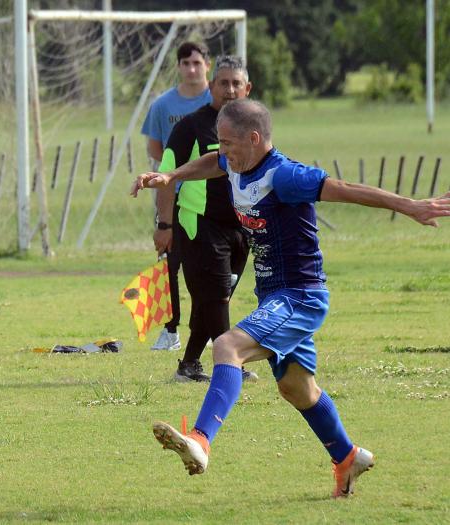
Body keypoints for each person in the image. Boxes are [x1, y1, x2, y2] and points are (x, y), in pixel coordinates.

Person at [131, 99, 450, 497]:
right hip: (274, 297)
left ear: (254, 138)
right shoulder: (236, 160)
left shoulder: (285, 176)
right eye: (220, 142)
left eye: (228, 142)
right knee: (297, 387)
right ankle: (348, 458)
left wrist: (411, 206)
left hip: (300, 296)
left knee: (227, 345)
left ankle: (201, 440)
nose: (222, 149)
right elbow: (214, 162)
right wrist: (173, 176)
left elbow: (346, 189)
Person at [159, 56, 255, 383]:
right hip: (199, 224)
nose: (229, 90)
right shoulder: (190, 126)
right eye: (223, 83)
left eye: (236, 84)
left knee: (210, 300)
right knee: (217, 297)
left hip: (242, 227)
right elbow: (166, 176)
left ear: (247, 89)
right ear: (211, 85)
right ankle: (232, 366)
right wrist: (164, 225)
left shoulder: (255, 128)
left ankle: (188, 365)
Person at [141, 41, 213, 351]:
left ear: (207, 64)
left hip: (211, 196)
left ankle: (211, 324)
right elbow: (155, 148)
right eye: (186, 63)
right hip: (172, 194)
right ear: (179, 67)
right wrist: (174, 171)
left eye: (197, 62)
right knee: (168, 262)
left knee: (210, 265)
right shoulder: (163, 105)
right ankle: (170, 330)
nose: (192, 69)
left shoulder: (219, 99)